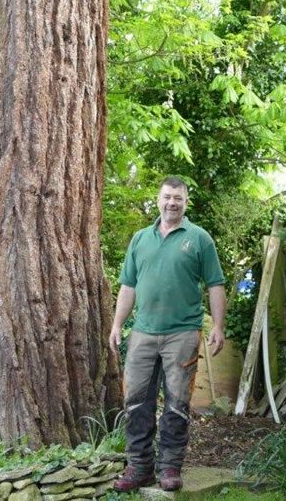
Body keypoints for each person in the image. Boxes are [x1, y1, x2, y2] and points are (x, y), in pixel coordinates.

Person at [110, 176, 226, 493]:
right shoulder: (140, 239)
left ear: (185, 202)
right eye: (167, 196)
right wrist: (118, 324)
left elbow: (215, 284)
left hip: (183, 333)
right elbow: (128, 286)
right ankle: (140, 467)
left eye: (178, 198)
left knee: (177, 403)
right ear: (158, 199)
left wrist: (218, 326)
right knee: (135, 402)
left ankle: (170, 467)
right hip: (143, 334)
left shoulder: (200, 239)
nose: (171, 202)